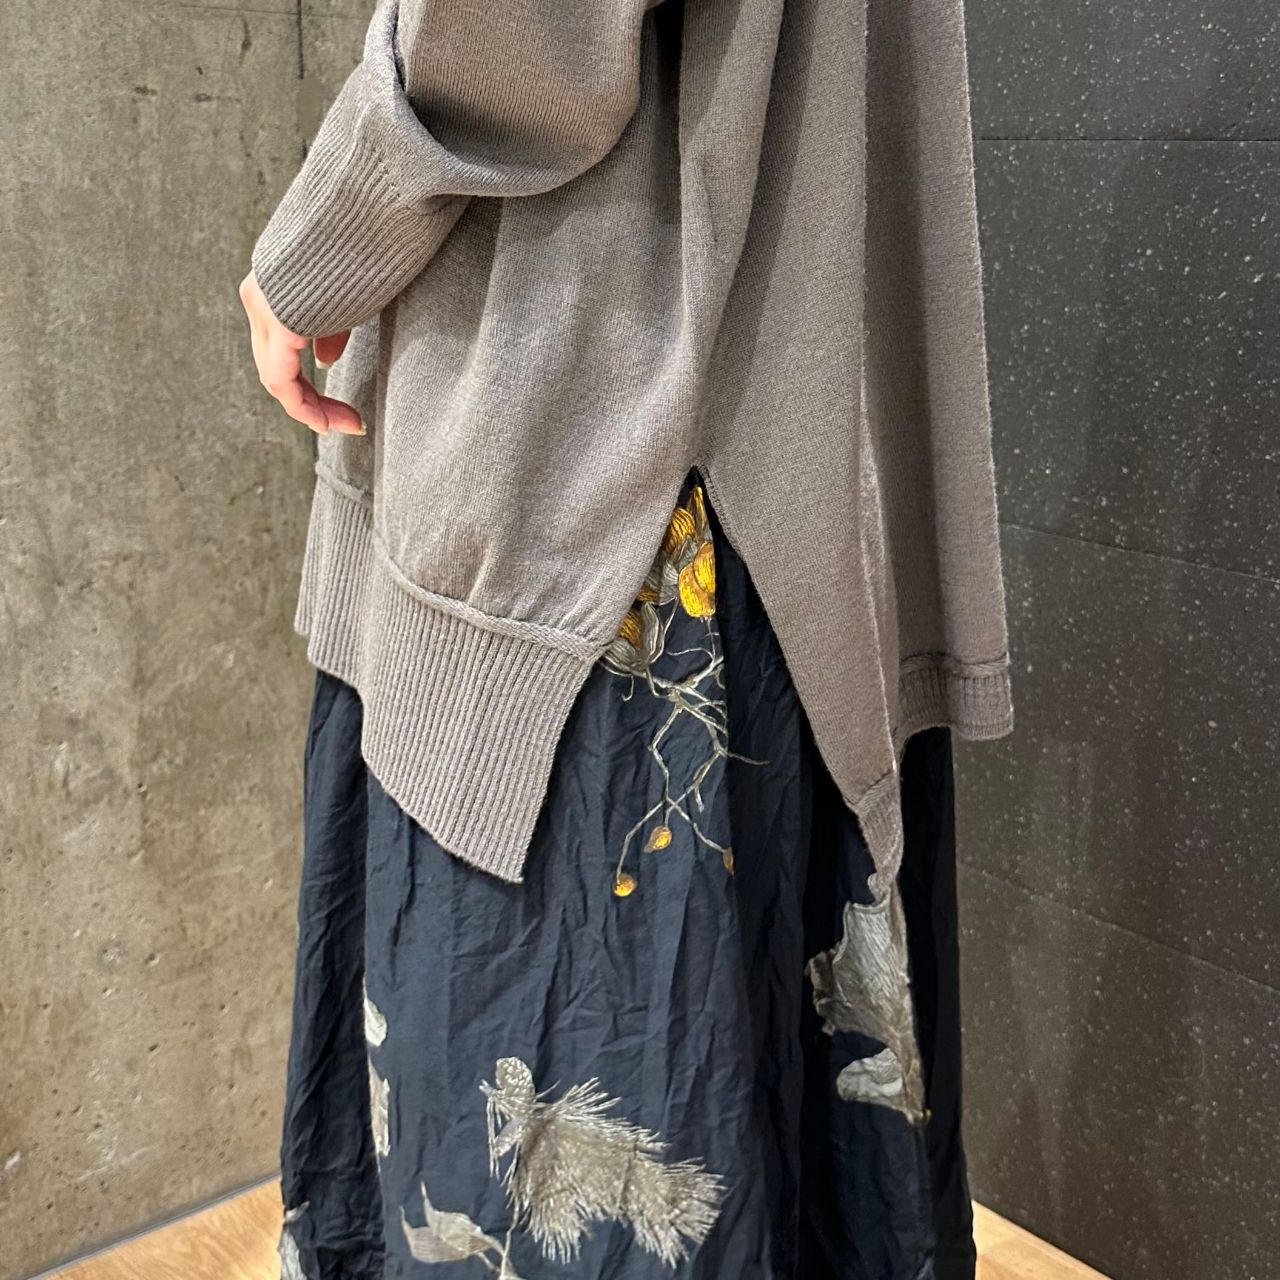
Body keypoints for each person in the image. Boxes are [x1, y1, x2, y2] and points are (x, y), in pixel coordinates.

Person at [240, 0, 1013, 1276]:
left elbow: (526, 48)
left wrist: (324, 238)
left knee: (571, 1114)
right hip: (789, 456)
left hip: (595, 487)